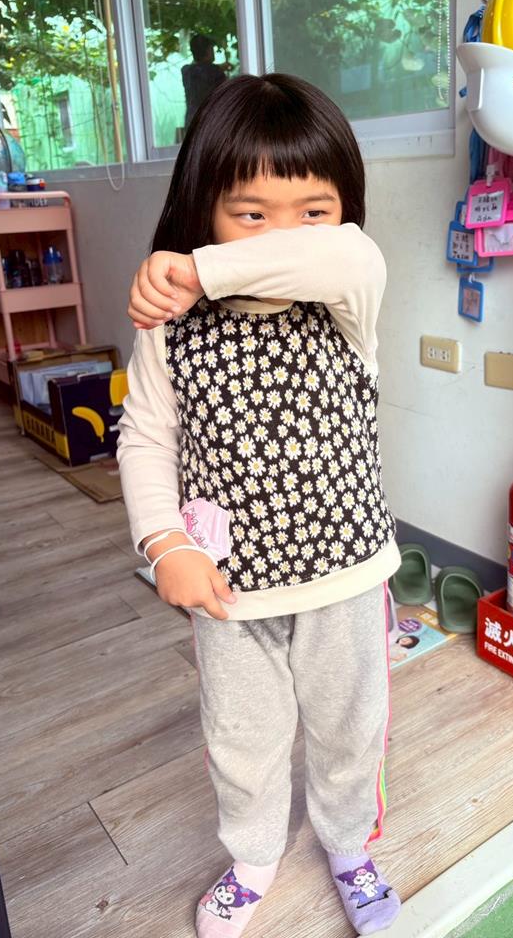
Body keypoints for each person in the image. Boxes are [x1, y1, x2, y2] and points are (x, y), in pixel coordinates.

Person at [117, 72, 402, 938]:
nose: (284, 233)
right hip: (230, 588)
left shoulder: (347, 290)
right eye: (250, 212)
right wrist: (164, 543)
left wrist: (200, 266)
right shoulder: (169, 324)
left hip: (345, 575)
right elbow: (145, 438)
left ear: (343, 211)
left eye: (312, 210)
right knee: (242, 738)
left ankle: (349, 846)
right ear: (202, 205)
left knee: (350, 729)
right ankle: (251, 859)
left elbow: (339, 253)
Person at [182, 33, 227, 129]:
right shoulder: (216, 72)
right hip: (211, 123)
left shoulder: (186, 72)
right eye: (212, 48)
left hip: (192, 123)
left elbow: (200, 70)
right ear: (209, 50)